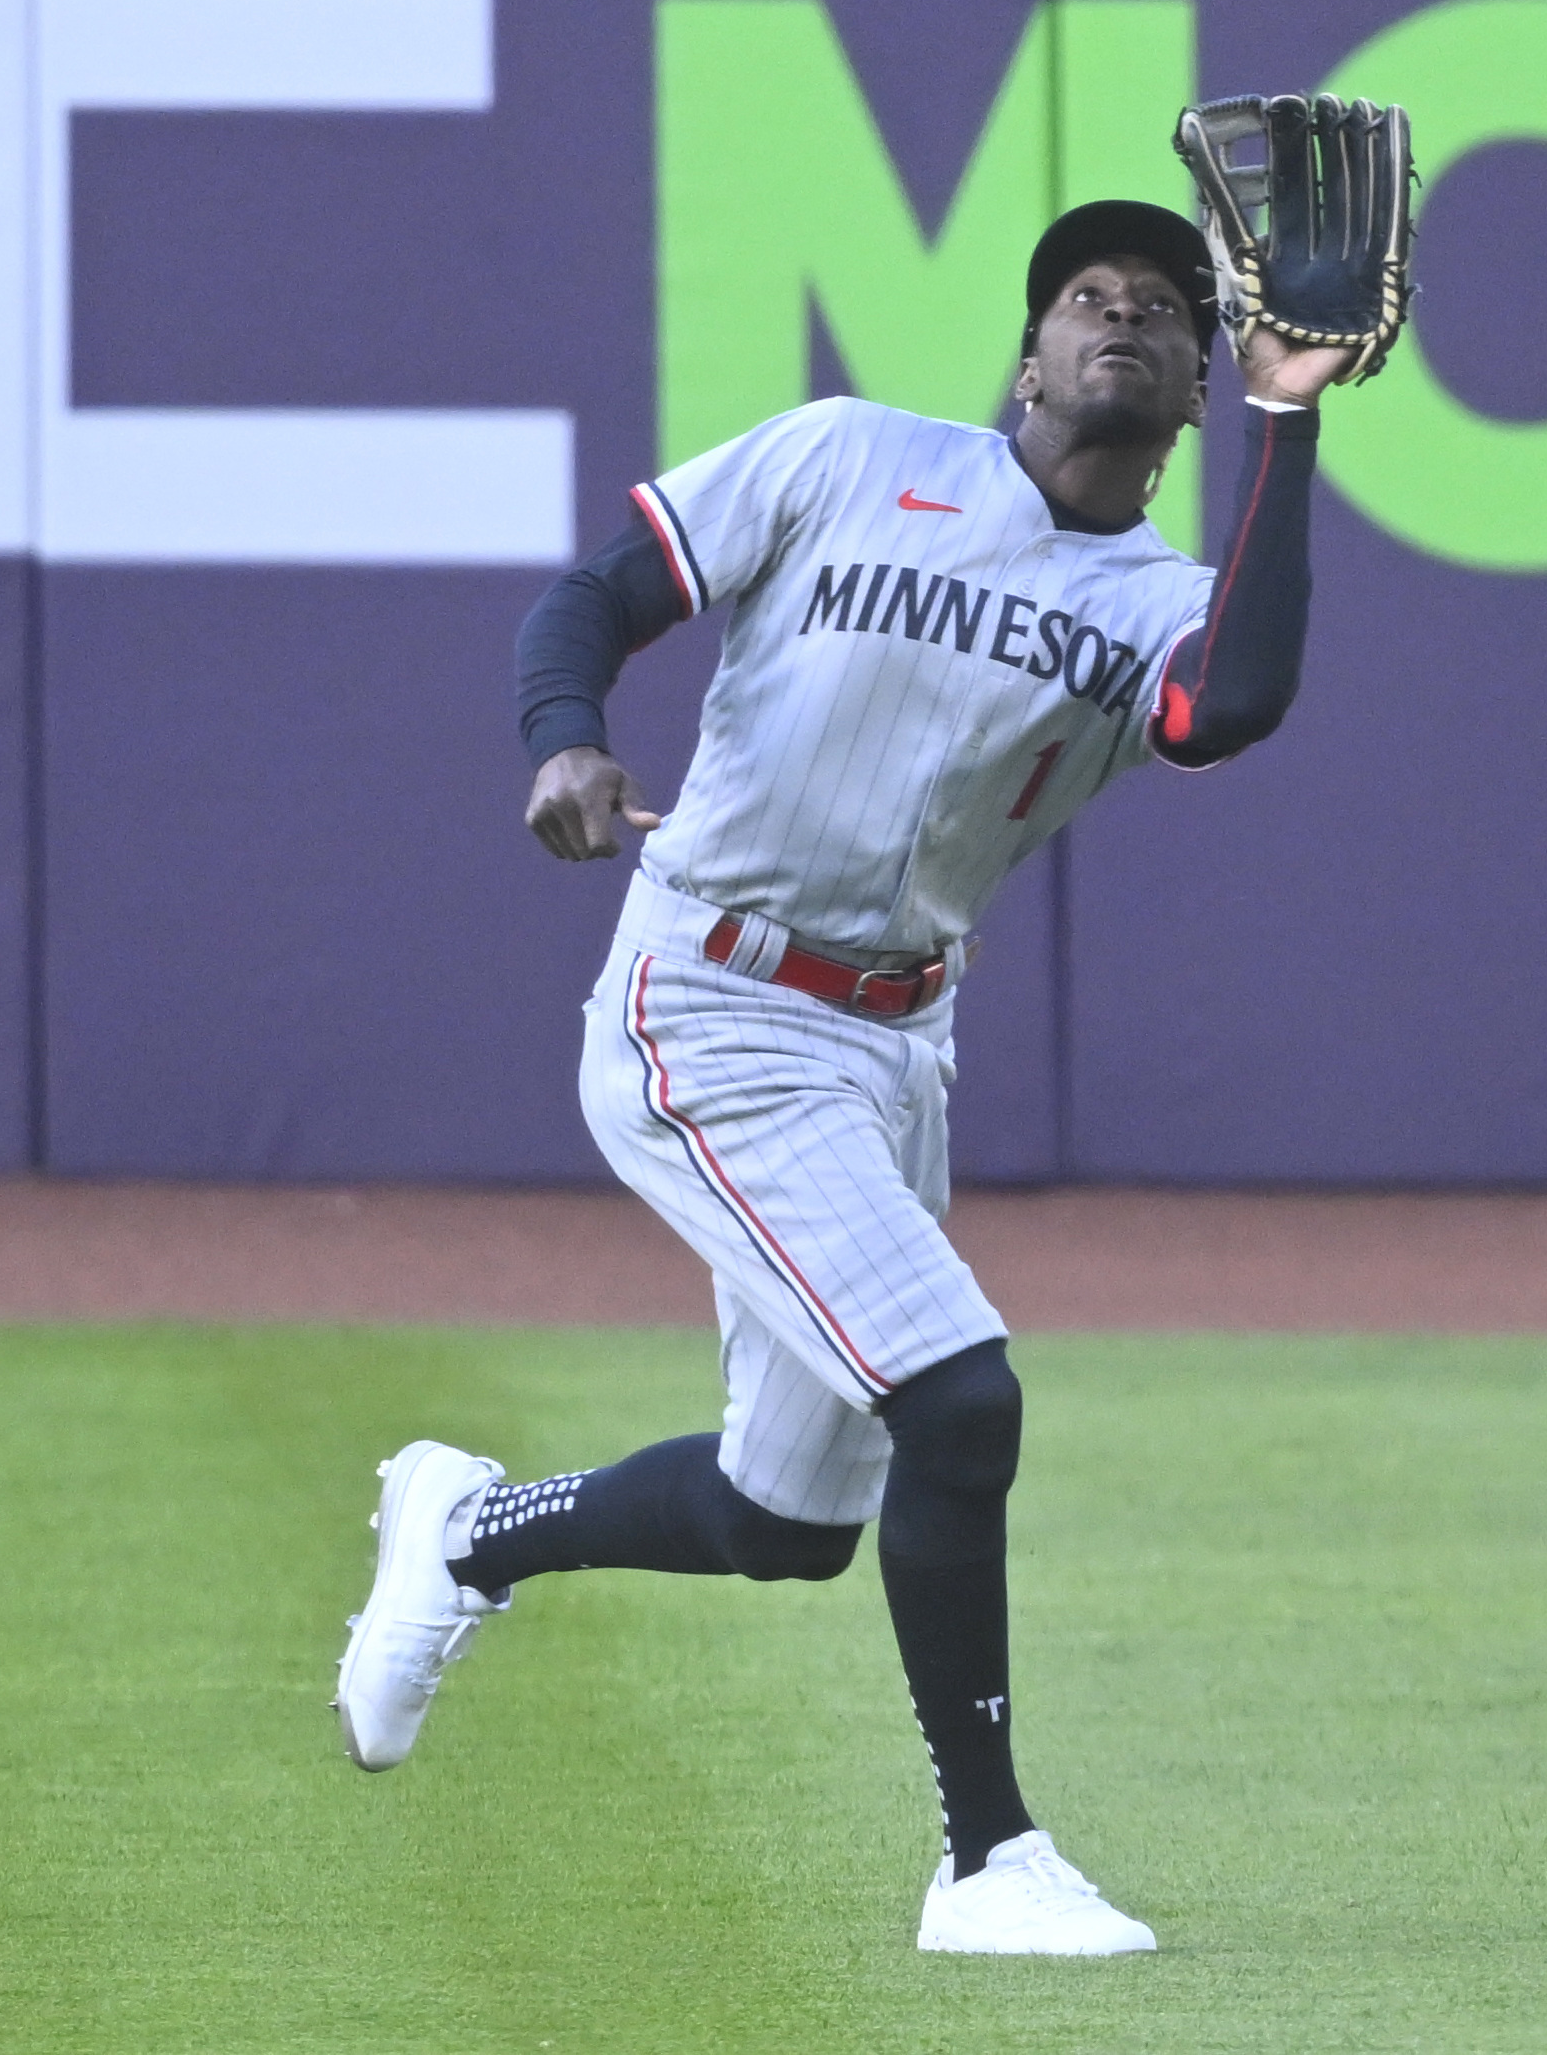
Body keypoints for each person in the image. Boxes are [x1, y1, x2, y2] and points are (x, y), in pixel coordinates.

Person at [334, 196, 1349, 1956]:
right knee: (960, 1402)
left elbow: (1231, 705)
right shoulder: (843, 455)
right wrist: (562, 740)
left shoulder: (1157, 602)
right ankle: (987, 1859)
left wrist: (1297, 410)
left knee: (783, 1516)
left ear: (1195, 387)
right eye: (1083, 297)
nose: (1120, 317)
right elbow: (597, 594)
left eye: (1165, 312)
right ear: (1025, 355)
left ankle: (471, 1528)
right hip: (706, 1000)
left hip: (889, 1042)